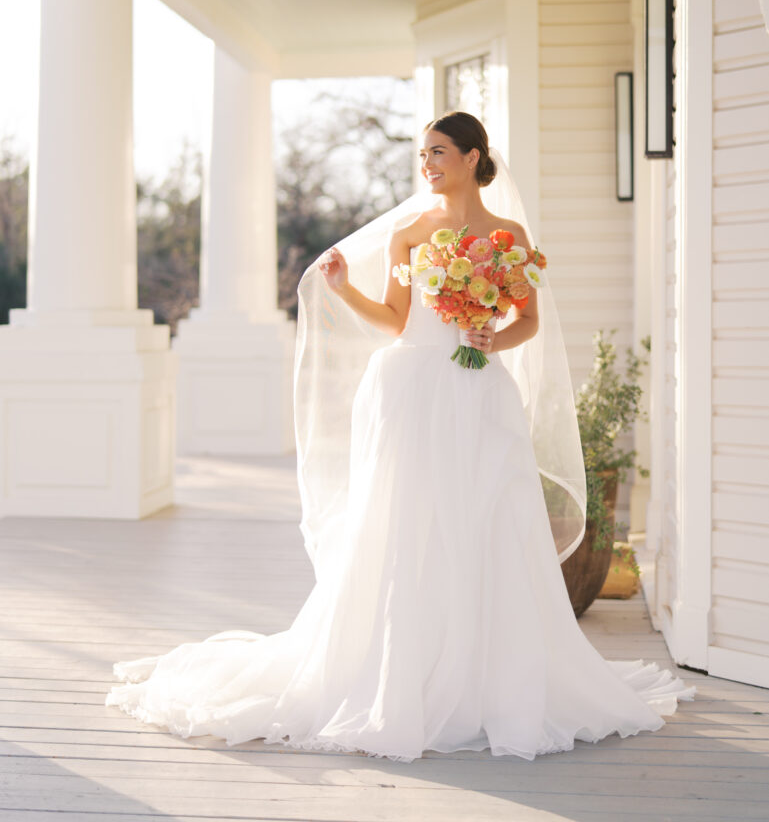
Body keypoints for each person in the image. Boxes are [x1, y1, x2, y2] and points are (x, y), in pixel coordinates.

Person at [106, 110, 695, 762]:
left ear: (473, 157)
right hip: (410, 390)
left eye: (439, 151)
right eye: (423, 154)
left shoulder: (507, 235)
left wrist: (489, 336)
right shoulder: (410, 232)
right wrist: (342, 289)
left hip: (478, 391)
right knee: (408, 523)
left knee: (488, 520)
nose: (427, 163)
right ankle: (400, 674)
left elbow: (524, 320)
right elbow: (393, 319)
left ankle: (490, 678)